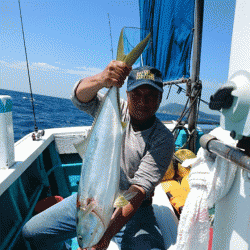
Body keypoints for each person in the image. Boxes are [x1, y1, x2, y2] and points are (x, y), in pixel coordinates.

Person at [22, 60, 174, 250]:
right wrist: (103, 79)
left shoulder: (163, 139)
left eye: (151, 96)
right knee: (31, 232)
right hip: (90, 199)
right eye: (136, 94)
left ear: (160, 98)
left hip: (133, 209)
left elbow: (137, 191)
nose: (143, 102)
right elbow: (79, 97)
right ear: (127, 94)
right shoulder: (114, 109)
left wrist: (105, 236)